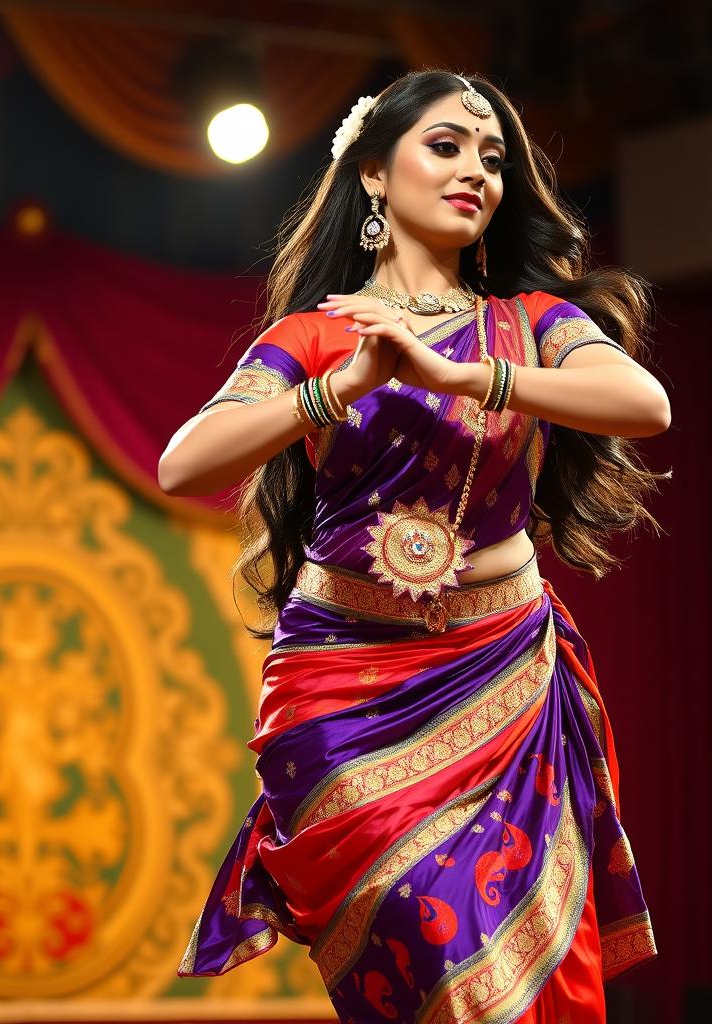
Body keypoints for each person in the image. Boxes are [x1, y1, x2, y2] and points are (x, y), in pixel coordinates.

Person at [160, 68, 670, 1024]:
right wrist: (341, 386)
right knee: (426, 936)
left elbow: (646, 405)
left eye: (493, 158)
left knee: (524, 967)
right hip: (342, 690)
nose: (476, 170)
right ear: (373, 178)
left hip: (505, 674)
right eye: (445, 147)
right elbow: (182, 465)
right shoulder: (315, 337)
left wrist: (463, 372)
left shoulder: (532, 327)